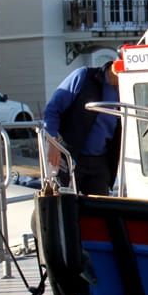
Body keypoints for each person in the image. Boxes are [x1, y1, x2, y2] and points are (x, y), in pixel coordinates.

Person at [43, 60, 121, 195]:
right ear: (115, 67)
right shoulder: (83, 76)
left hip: (101, 160)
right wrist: (52, 142)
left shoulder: (127, 90)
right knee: (65, 205)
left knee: (99, 209)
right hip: (70, 156)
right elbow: (52, 110)